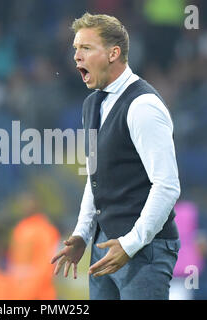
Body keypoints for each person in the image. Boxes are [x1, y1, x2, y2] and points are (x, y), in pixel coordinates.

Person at [51, 13, 181, 300]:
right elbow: (95, 179)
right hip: (105, 250)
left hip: (145, 252)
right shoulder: (91, 104)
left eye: (85, 48)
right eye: (75, 49)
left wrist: (130, 244)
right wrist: (83, 234)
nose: (76, 57)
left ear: (114, 53)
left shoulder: (144, 105)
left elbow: (168, 185)